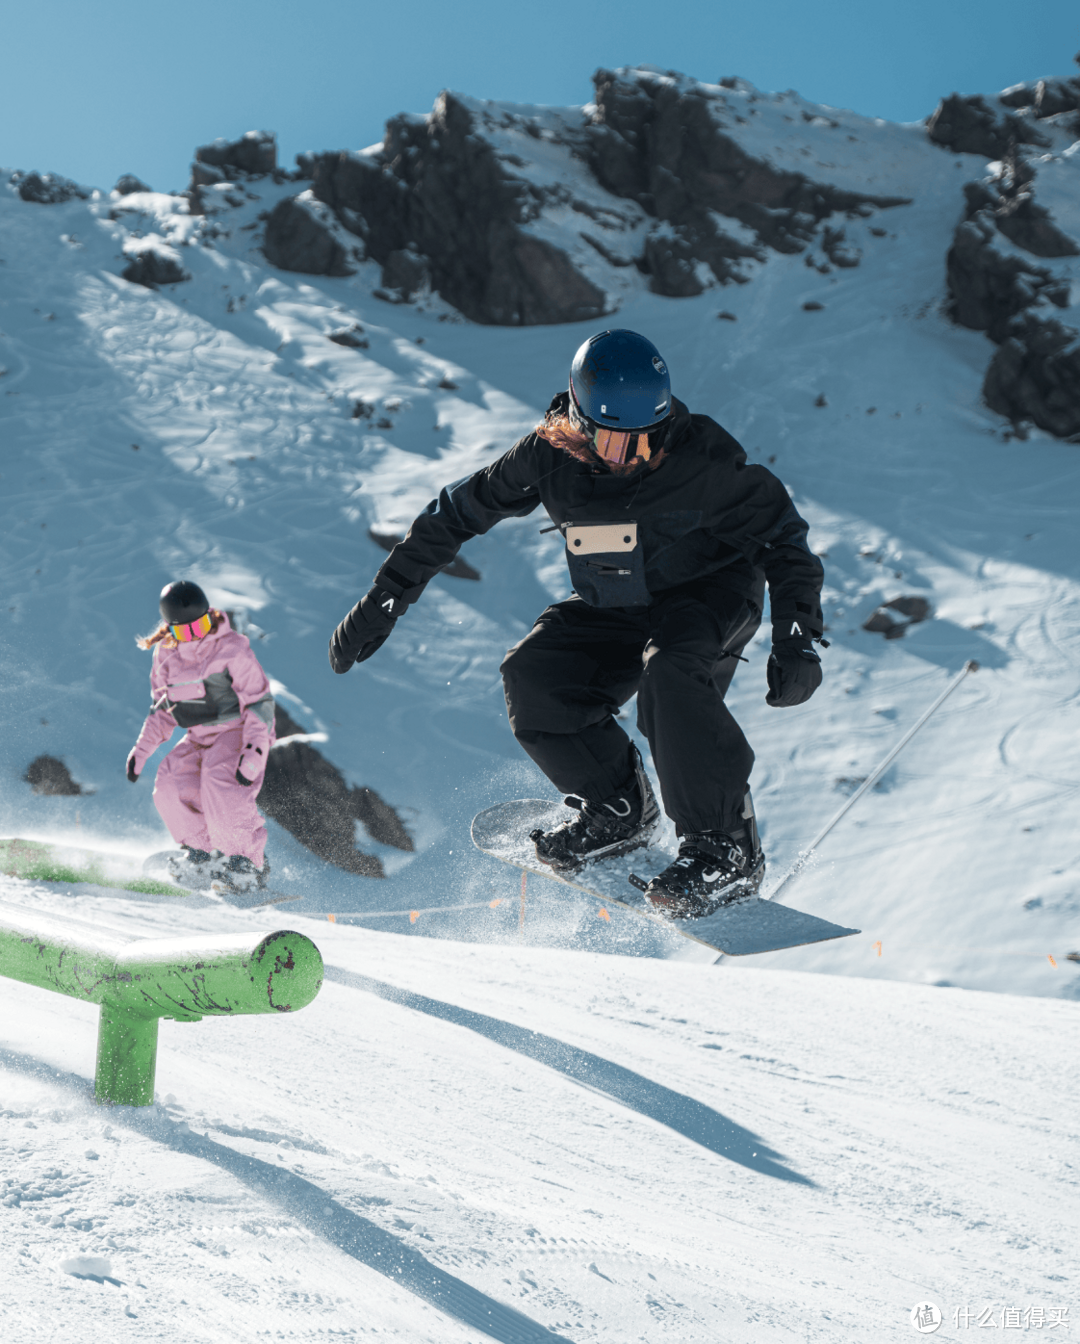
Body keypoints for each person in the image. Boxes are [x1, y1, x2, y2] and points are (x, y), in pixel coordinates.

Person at [328, 330, 825, 918]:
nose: (632, 455)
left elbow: (784, 540)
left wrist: (796, 636)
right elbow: (455, 515)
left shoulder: (704, 457)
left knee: (669, 673)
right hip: (616, 599)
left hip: (707, 597)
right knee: (534, 676)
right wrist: (386, 598)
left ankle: (725, 847)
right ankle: (616, 808)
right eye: (615, 439)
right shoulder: (546, 455)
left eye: (647, 440)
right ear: (580, 419)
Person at [127, 580, 276, 893]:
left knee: (219, 779)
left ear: (211, 616)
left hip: (237, 731)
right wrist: (142, 751)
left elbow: (258, 702)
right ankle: (203, 855)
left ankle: (245, 863)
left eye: (202, 625)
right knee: (170, 783)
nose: (195, 636)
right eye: (184, 631)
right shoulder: (165, 656)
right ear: (170, 630)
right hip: (198, 736)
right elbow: (163, 709)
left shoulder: (231, 648)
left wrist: (253, 751)